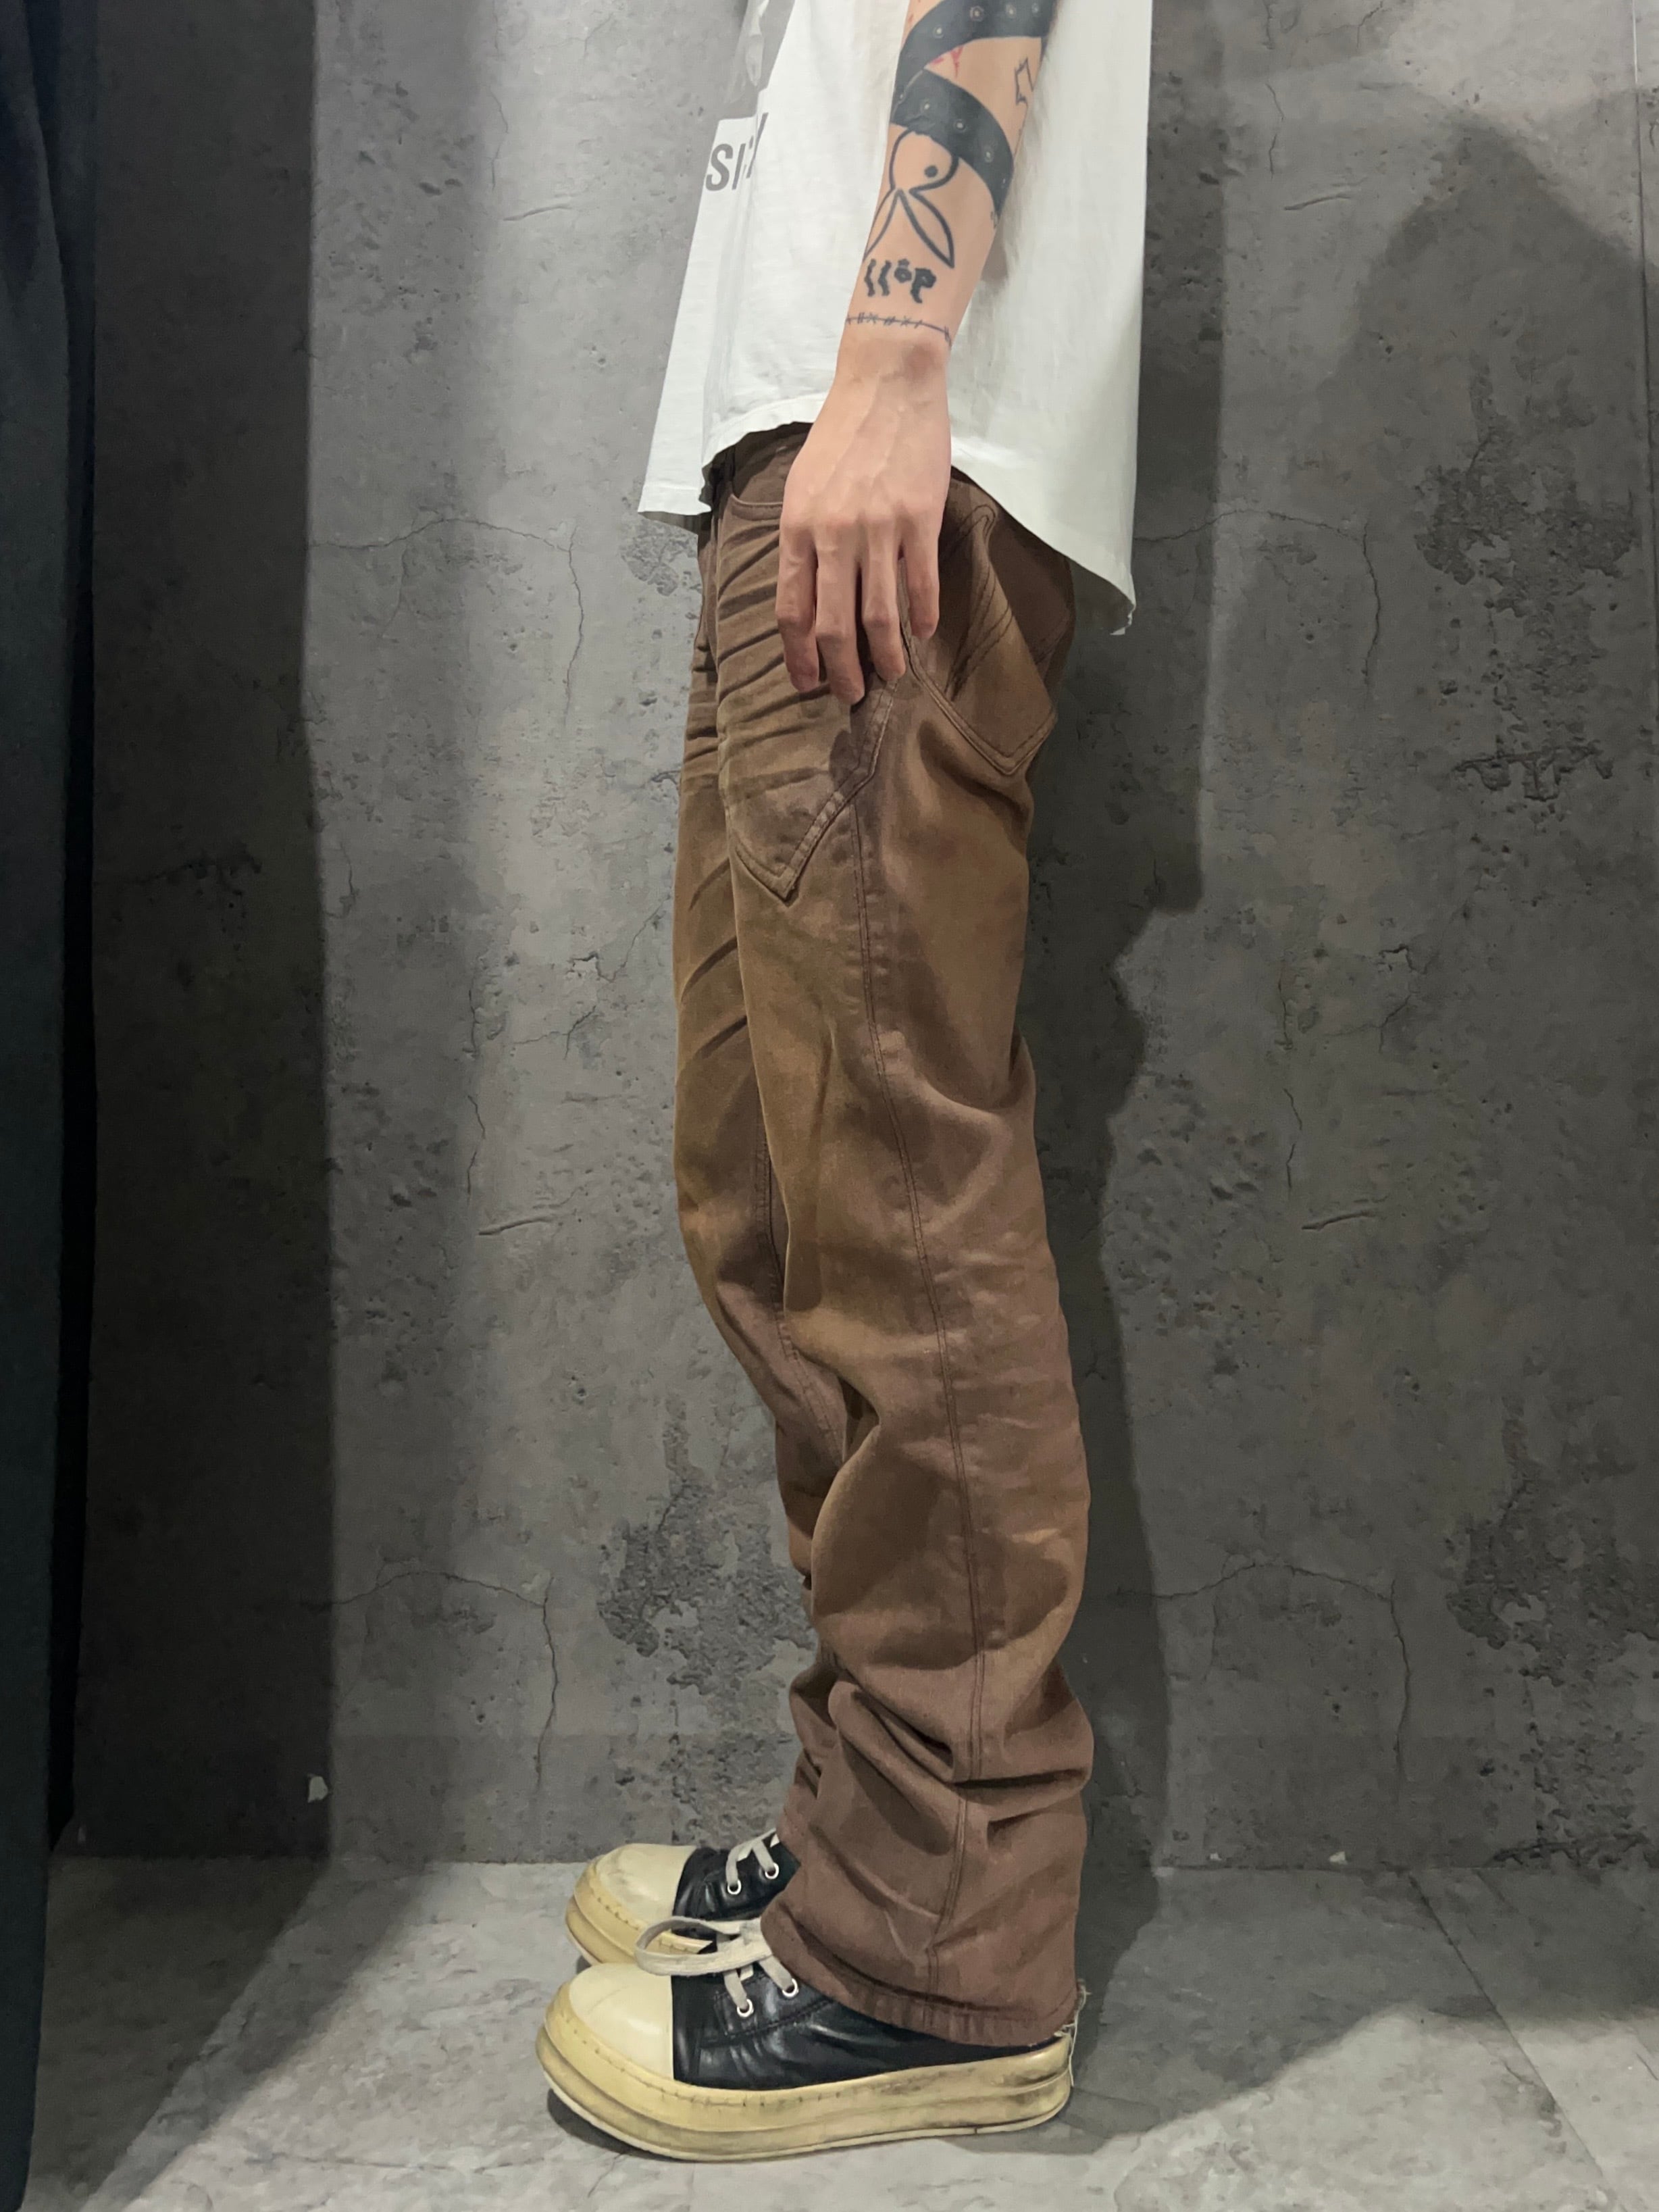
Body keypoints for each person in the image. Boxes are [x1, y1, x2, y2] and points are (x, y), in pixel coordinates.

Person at [538, 0, 1151, 2159]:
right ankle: (865, 1829)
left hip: (891, 422)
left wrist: (894, 355)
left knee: (892, 1202)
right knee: (777, 1194)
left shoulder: (896, 381)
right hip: (804, 430)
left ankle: (940, 1943)